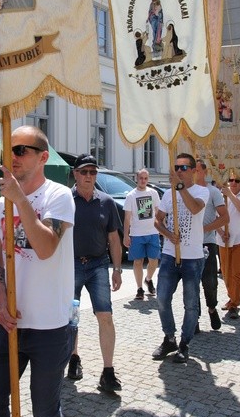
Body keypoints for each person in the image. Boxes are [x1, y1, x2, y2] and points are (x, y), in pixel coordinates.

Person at [0, 126, 75, 417]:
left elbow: (46, 248)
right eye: (7, 151)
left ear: (43, 157)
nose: (12, 157)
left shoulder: (58, 196)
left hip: (50, 326)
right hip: (10, 323)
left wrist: (20, 201)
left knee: (44, 413)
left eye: (20, 150)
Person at [68, 153, 123, 392]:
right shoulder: (65, 200)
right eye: (84, 172)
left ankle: (108, 371)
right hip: (70, 266)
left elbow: (114, 238)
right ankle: (73, 358)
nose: (88, 176)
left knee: (105, 316)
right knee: (71, 317)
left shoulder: (107, 202)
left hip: (98, 265)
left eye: (92, 172)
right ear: (75, 174)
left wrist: (118, 269)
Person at [151, 153, 210, 363]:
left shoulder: (202, 191)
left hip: (193, 258)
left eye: (184, 168)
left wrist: (180, 188)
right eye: (177, 167)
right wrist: (168, 234)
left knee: (191, 303)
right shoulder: (168, 195)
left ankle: (185, 344)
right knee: (162, 299)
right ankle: (169, 337)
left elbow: (194, 208)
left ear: (194, 171)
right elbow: (157, 221)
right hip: (169, 255)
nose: (179, 171)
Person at [194, 159, 227, 331]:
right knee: (192, 283)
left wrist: (206, 228)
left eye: (198, 170)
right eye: (193, 170)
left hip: (207, 241)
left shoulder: (213, 192)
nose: (195, 173)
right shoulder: (187, 192)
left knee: (209, 281)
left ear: (205, 172)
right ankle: (194, 317)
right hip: (191, 245)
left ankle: (212, 308)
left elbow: (224, 217)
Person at [216, 176, 240, 319]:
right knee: (226, 273)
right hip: (224, 239)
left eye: (237, 181)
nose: (233, 183)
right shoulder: (221, 196)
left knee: (237, 272)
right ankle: (231, 297)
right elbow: (215, 216)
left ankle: (235, 303)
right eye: (231, 180)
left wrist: (230, 195)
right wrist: (220, 231)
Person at [123, 168, 160, 301]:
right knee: (138, 262)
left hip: (153, 232)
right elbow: (127, 217)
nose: (143, 181)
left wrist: (163, 229)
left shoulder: (153, 193)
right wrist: (126, 235)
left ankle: (148, 279)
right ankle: (139, 288)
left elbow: (158, 213)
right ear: (136, 179)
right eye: (141, 178)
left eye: (145, 178)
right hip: (137, 234)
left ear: (147, 180)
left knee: (154, 260)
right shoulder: (131, 196)